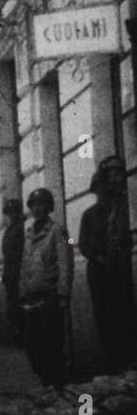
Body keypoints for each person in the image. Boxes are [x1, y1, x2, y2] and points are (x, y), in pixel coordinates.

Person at [77, 156, 135, 373]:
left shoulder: (122, 209)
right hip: (100, 274)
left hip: (121, 271)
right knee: (105, 319)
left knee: (126, 315)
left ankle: (126, 363)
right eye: (99, 189)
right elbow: (82, 245)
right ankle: (113, 363)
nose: (103, 192)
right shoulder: (89, 215)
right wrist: (99, 256)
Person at [19, 188, 73, 387]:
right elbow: (24, 265)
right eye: (34, 205)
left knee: (52, 345)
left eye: (42, 204)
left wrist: (63, 294)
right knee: (33, 346)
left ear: (49, 207)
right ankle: (46, 382)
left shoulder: (57, 230)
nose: (37, 208)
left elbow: (65, 262)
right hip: (32, 297)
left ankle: (55, 386)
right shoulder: (29, 233)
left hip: (50, 296)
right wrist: (22, 291)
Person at [0, 198, 25, 345]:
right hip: (10, 273)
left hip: (18, 273)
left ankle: (20, 336)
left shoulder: (20, 228)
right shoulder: (9, 229)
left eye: (13, 212)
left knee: (18, 306)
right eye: (9, 213)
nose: (11, 215)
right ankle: (14, 336)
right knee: (12, 305)